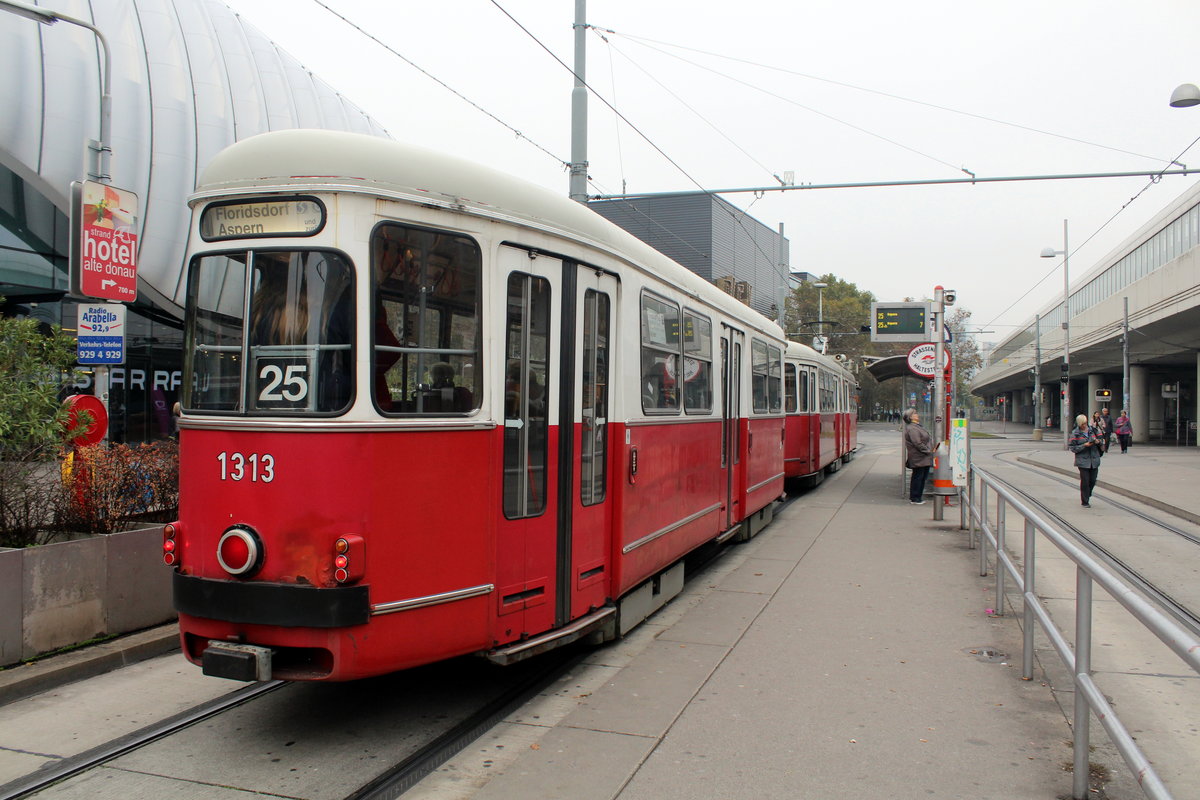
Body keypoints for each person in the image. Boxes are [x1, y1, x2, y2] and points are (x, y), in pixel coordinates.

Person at [903, 407, 938, 505]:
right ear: (910, 417)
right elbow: (917, 443)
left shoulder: (916, 426)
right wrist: (928, 451)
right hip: (919, 457)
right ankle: (915, 498)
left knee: (921, 477)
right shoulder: (912, 428)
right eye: (915, 413)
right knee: (918, 477)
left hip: (922, 457)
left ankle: (917, 496)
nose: (917, 414)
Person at [1069, 413, 1104, 507]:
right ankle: (1085, 501)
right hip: (1082, 461)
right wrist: (1084, 445)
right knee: (1085, 481)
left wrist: (1097, 442)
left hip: (1094, 460)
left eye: (1085, 423)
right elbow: (1072, 448)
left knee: (1092, 480)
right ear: (1079, 424)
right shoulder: (1075, 433)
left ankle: (1088, 493)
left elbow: (1102, 440)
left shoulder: (1093, 430)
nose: (1084, 425)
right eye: (1082, 424)